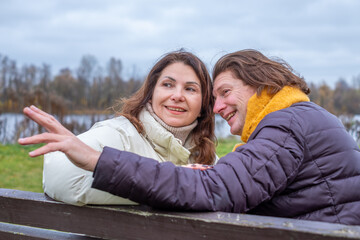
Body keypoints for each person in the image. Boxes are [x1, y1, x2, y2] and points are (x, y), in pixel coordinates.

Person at [19, 49, 360, 225]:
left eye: (220, 92)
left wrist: (190, 182)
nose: (220, 105)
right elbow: (219, 189)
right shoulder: (294, 121)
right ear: (149, 92)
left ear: (262, 84)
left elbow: (216, 189)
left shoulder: (285, 126)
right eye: (167, 84)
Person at [29, 50, 217, 206]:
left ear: (203, 105)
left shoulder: (204, 154)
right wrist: (176, 188)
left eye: (190, 89)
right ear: (150, 94)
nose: (177, 95)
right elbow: (61, 177)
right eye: (168, 85)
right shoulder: (120, 134)